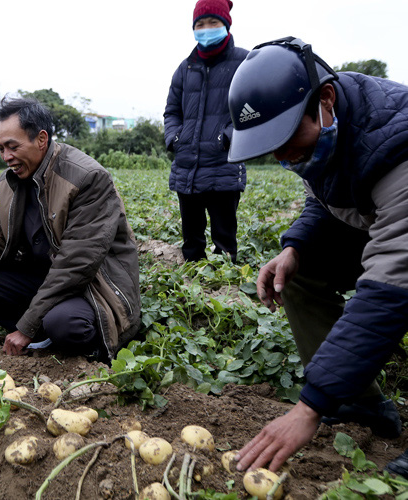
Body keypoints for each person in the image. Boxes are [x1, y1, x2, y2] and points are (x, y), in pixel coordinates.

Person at [226, 37, 408, 476]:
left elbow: (393, 279)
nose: (284, 156)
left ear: (325, 99)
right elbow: (327, 201)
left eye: (288, 139)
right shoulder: (325, 134)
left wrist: (310, 406)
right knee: (298, 271)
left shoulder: (398, 143)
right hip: (387, 227)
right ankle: (358, 402)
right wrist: (296, 248)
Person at [0, 96, 141, 360]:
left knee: (65, 324)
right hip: (43, 279)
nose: (6, 157)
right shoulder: (13, 179)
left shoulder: (87, 178)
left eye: (12, 146)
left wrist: (26, 326)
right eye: (0, 148)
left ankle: (78, 343)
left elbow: (75, 265)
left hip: (92, 288)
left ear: (41, 139)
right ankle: (42, 332)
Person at [163, 0, 248, 263]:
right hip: (188, 164)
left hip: (223, 163)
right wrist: (175, 137)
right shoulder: (185, 67)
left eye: (213, 22)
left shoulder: (244, 62)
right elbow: (171, 111)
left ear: (226, 24)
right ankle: (191, 288)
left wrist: (229, 136)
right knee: (192, 240)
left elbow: (252, 109)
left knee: (224, 239)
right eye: (200, 24)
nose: (206, 29)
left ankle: (226, 290)